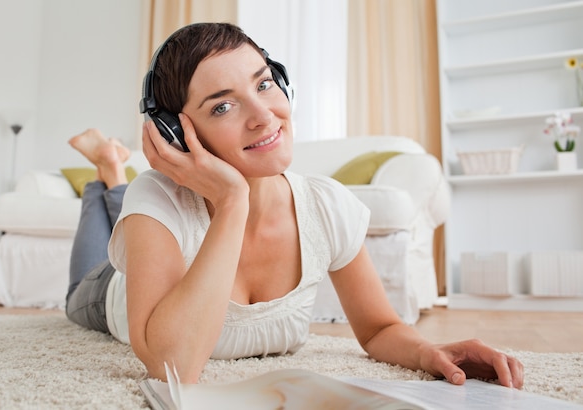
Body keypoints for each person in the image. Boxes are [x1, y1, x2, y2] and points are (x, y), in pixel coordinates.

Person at [66, 22, 524, 387]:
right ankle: (107, 173)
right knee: (102, 246)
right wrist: (231, 201)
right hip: (106, 291)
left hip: (169, 219)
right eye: (222, 107)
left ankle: (111, 172)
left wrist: (430, 352)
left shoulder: (326, 207)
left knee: (137, 204)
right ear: (176, 134)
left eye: (264, 84)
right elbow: (175, 369)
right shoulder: (158, 195)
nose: (265, 115)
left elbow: (379, 328)